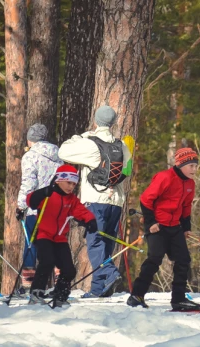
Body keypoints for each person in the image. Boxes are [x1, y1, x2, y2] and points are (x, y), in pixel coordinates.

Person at [58, 105, 132, 299]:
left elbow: (63, 152)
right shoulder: (121, 145)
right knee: (106, 242)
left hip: (94, 199)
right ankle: (100, 289)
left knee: (93, 241)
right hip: (116, 201)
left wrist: (79, 137)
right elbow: (127, 170)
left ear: (96, 121)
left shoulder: (90, 143)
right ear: (114, 122)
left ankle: (108, 272)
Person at [127, 148, 200, 312]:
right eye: (191, 166)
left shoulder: (190, 184)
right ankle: (136, 295)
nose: (194, 170)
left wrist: (186, 228)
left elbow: (185, 206)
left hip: (175, 226)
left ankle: (179, 299)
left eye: (196, 166)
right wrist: (151, 222)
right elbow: (146, 199)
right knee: (154, 258)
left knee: (183, 260)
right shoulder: (165, 177)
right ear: (180, 164)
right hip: (158, 226)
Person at [25, 164, 97, 307]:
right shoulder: (48, 194)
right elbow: (30, 201)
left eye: (74, 184)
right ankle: (36, 294)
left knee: (69, 269)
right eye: (69, 183)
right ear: (59, 180)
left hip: (60, 238)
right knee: (47, 261)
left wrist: (90, 220)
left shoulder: (71, 199)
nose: (71, 187)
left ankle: (60, 296)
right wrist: (43, 192)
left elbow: (81, 211)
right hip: (43, 235)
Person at [15, 123, 63, 291]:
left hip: (36, 208)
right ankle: (60, 283)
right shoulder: (59, 155)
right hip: (56, 209)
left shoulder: (30, 156)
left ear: (31, 140)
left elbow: (29, 184)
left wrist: (21, 205)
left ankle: (28, 285)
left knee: (32, 244)